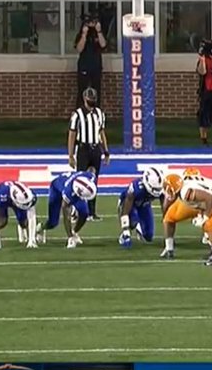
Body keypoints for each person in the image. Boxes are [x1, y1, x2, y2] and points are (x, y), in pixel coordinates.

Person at [68, 87, 110, 220]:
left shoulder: (99, 113)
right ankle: (77, 211)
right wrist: (70, 155)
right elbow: (72, 135)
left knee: (94, 180)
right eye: (90, 99)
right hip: (83, 149)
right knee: (79, 180)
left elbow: (101, 132)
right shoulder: (77, 114)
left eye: (93, 99)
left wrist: (106, 151)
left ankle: (92, 212)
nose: (92, 101)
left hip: (95, 148)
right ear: (85, 99)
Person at [44, 169, 98, 249]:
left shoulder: (90, 177)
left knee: (84, 213)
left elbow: (92, 170)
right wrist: (70, 237)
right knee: (53, 223)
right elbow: (66, 214)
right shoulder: (69, 192)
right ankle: (40, 228)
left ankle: (74, 232)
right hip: (56, 189)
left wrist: (73, 233)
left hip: (75, 188)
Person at [117, 166, 166, 248]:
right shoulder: (136, 189)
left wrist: (168, 234)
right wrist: (126, 231)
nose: (157, 192)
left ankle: (139, 228)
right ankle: (125, 234)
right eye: (155, 189)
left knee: (148, 236)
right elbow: (125, 211)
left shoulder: (161, 188)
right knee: (133, 222)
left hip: (144, 204)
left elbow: (165, 208)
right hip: (129, 204)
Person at [0, 180, 38, 250]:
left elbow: (32, 216)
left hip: (17, 199)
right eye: (24, 204)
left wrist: (32, 240)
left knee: (24, 223)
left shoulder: (30, 196)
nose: (26, 205)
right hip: (7, 197)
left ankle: (21, 227)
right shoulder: (3, 195)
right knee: (2, 222)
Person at [74, 12, 107, 107]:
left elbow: (103, 45)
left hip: (96, 66)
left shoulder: (98, 33)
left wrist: (99, 31)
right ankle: (81, 114)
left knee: (96, 91)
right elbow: (79, 49)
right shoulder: (81, 34)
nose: (91, 24)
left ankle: (96, 113)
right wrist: (84, 34)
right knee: (82, 91)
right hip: (84, 66)